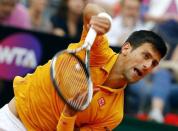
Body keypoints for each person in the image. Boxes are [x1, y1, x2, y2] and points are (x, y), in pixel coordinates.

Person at [0, 3, 167, 131]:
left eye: (154, 63)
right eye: (146, 56)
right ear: (126, 48)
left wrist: (69, 114)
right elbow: (89, 9)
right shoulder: (98, 51)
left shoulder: (113, 114)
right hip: (11, 121)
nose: (147, 66)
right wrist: (102, 18)